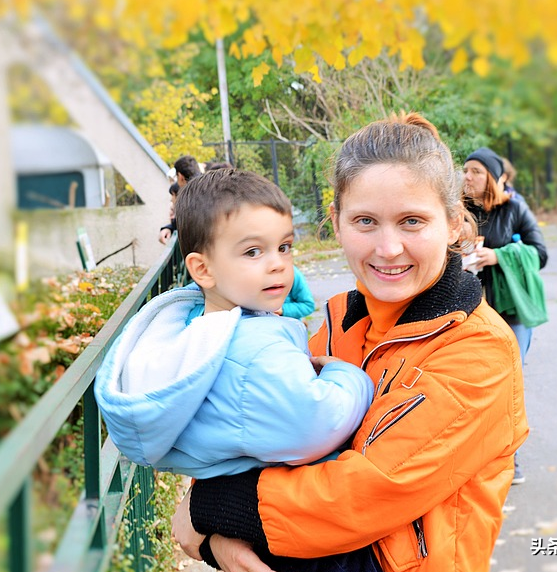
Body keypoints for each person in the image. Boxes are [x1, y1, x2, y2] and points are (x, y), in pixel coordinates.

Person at [172, 112, 529, 572]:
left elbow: (365, 492)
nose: (387, 248)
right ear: (336, 223)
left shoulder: (478, 351)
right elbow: (274, 434)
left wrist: (208, 513)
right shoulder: (340, 318)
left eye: (412, 222)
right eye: (365, 221)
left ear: (455, 224)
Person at [95, 168, 374, 479]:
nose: (278, 265)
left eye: (283, 247)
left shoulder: (198, 330)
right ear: (203, 269)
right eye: (253, 251)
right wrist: (348, 375)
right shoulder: (254, 353)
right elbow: (321, 422)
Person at [463, 146, 548, 484]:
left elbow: (539, 253)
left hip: (510, 310)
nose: (467, 177)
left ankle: (509, 455)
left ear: (493, 177)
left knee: (507, 384)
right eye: (465, 170)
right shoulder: (457, 210)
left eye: (476, 171)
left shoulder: (514, 206)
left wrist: (499, 257)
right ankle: (476, 454)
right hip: (469, 308)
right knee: (473, 383)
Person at [159, 155, 201, 244]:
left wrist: (170, 227)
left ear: (180, 176)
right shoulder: (208, 186)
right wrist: (170, 227)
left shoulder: (189, 196)